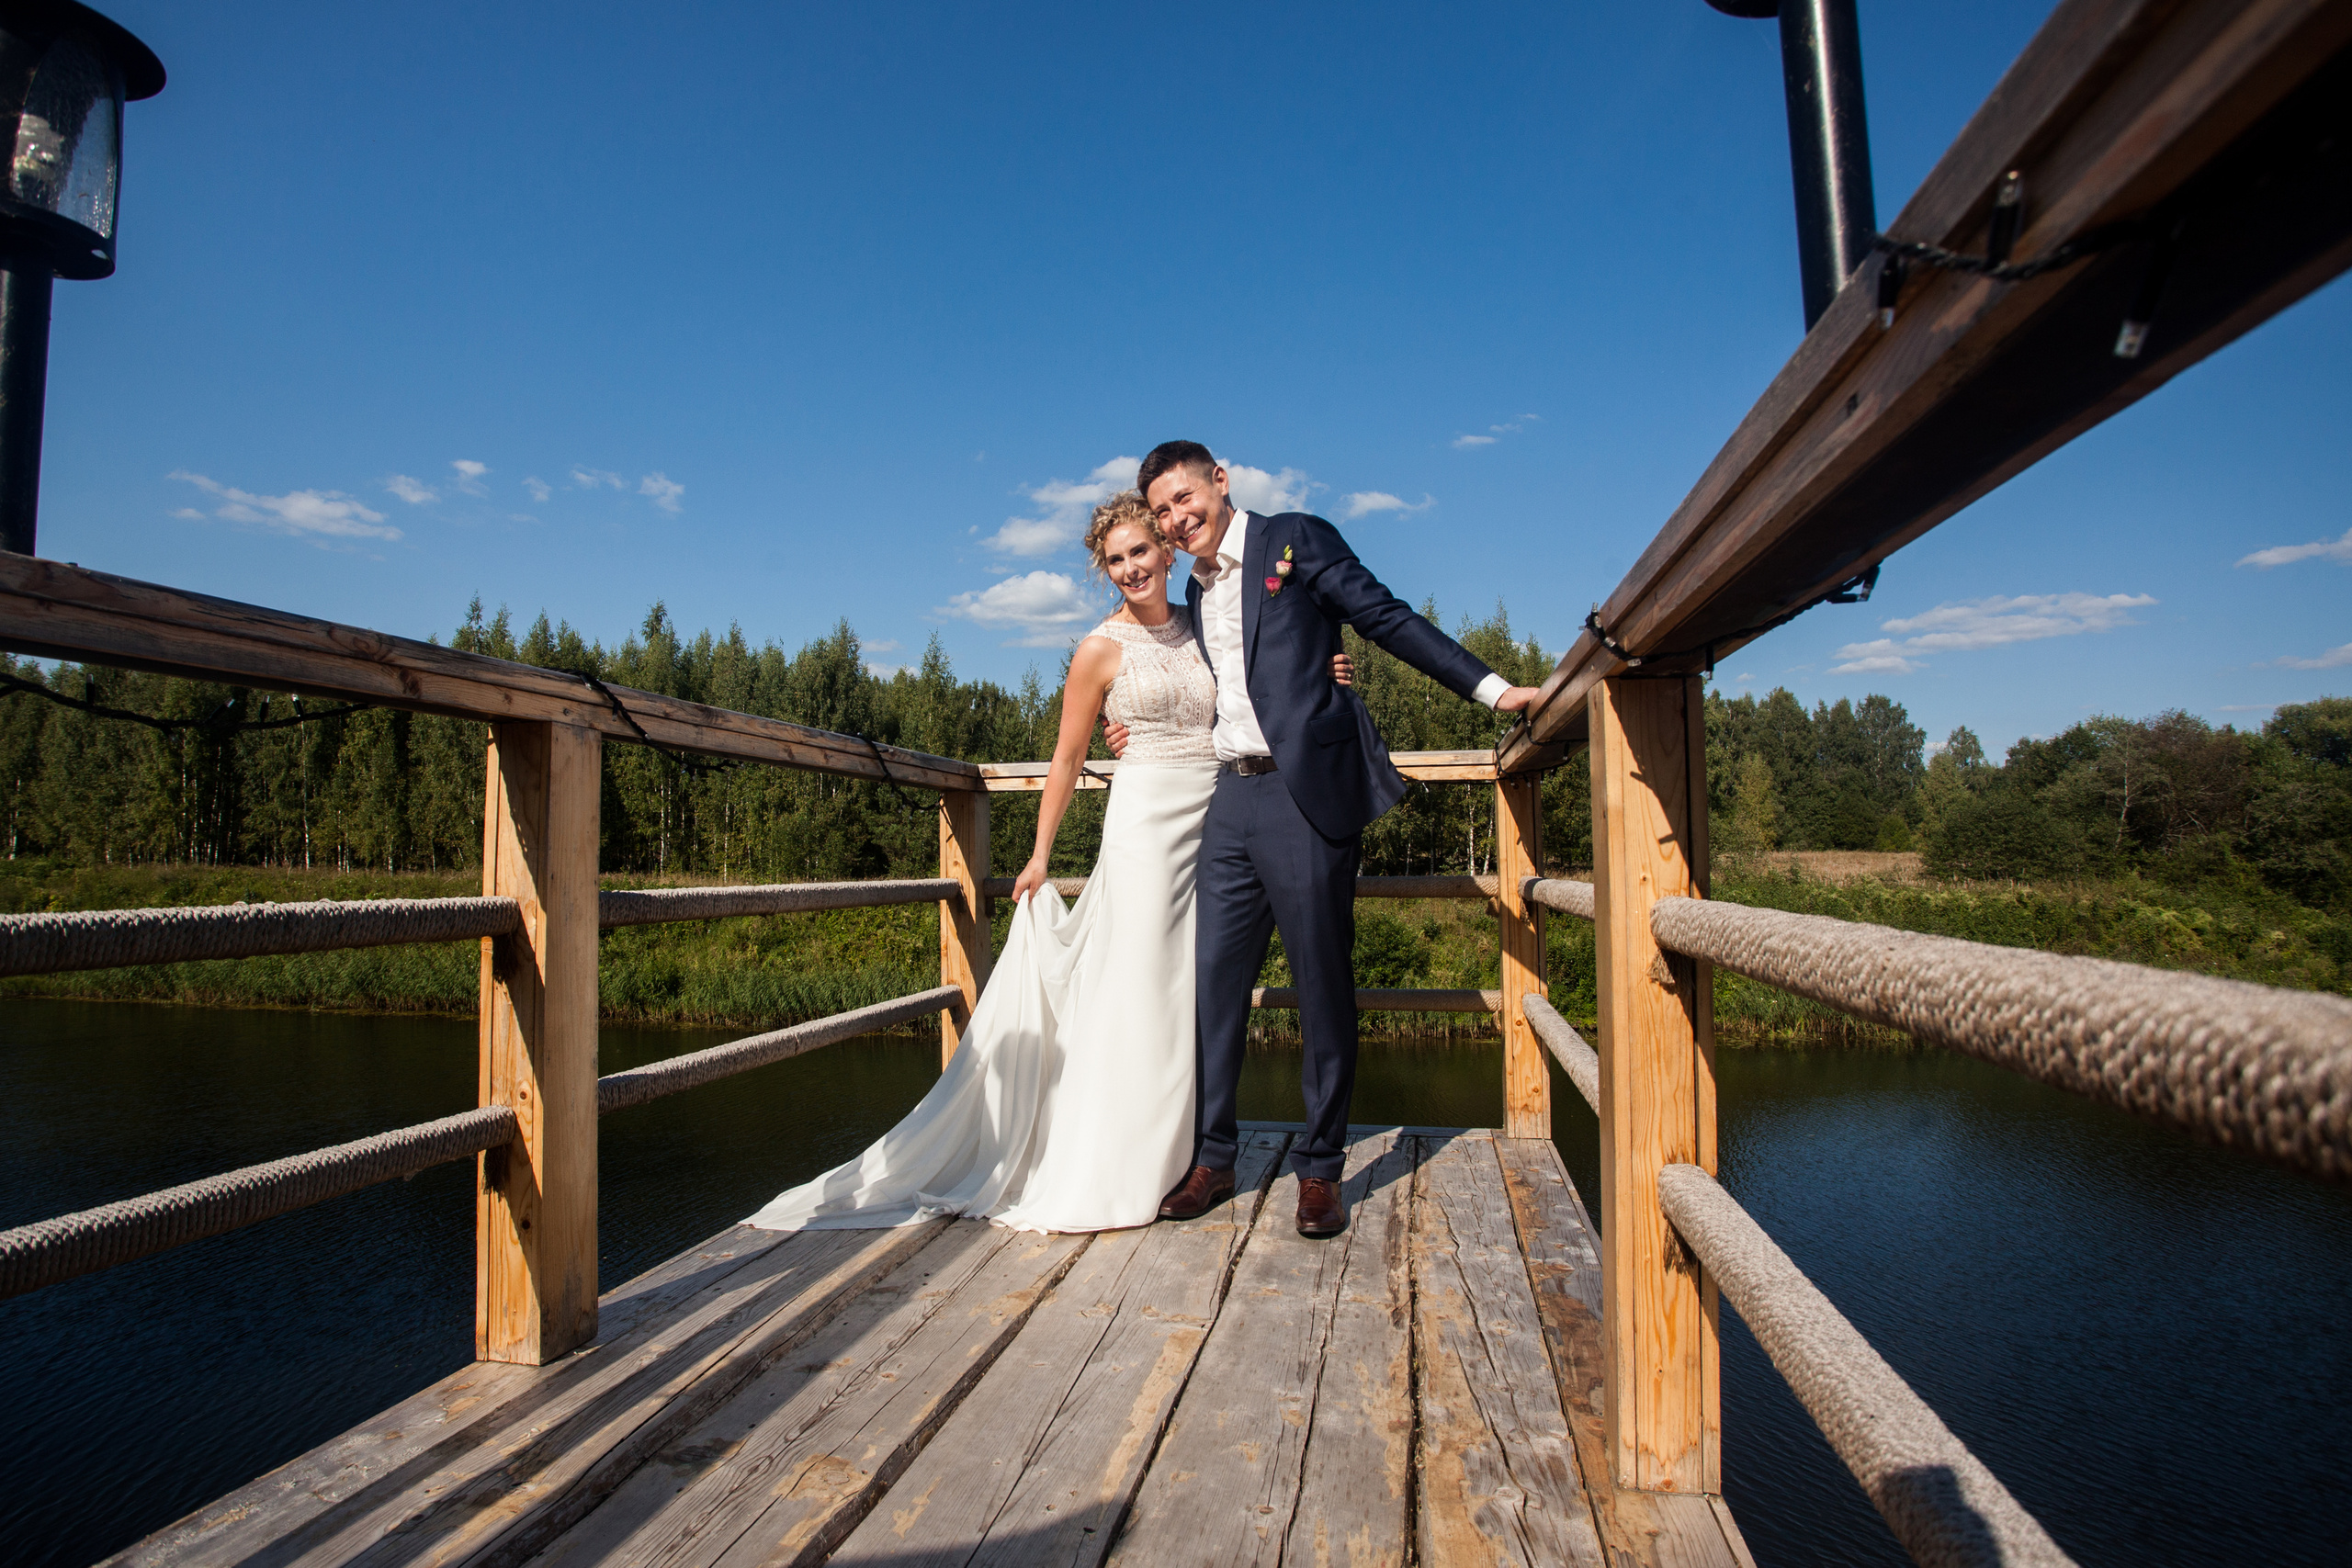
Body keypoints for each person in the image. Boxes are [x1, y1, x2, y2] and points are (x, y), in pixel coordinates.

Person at [744, 491, 1355, 1233]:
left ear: (1168, 552)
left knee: (1194, 992)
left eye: (1140, 551)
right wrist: (1038, 856)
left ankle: (1189, 1152)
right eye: (1115, 559)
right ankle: (1124, 1159)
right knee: (1140, 986)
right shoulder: (1101, 648)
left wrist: (1329, 666)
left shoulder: (1204, 625)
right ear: (1106, 572)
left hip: (1221, 811)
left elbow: (1268, 667)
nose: (1131, 567)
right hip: (1145, 824)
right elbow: (1067, 758)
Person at [1129, 441, 1538, 1239]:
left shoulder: (1293, 539)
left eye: (1186, 498)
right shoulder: (1192, 582)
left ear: (1221, 481)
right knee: (1213, 987)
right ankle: (1214, 1159)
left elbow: (1383, 615)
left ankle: (1320, 1170)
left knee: (1321, 984)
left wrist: (1492, 690)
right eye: (1164, 511)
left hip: (1300, 796)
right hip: (1228, 801)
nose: (1179, 519)